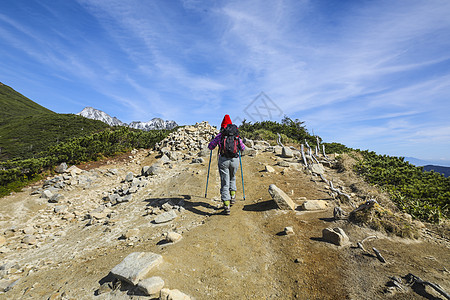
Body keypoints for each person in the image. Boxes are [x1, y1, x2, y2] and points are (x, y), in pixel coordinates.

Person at [208, 114, 245, 215]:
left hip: (223, 160)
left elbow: (210, 147)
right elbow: (243, 148)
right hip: (235, 160)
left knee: (225, 182)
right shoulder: (236, 135)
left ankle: (226, 205)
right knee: (232, 177)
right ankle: (232, 196)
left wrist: (212, 140)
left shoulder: (220, 135)